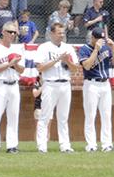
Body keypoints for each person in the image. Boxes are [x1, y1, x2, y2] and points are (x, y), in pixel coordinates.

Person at [34, 25, 80, 153]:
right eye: (59, 33)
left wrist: (67, 61)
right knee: (45, 116)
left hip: (65, 83)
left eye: (63, 33)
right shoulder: (44, 47)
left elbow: (75, 68)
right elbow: (40, 67)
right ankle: (42, 145)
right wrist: (57, 59)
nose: (62, 35)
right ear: (52, 33)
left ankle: (65, 145)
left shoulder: (68, 48)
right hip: (50, 84)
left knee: (63, 117)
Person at [0, 22, 29, 153]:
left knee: (13, 116)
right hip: (0, 84)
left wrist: (14, 65)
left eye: (14, 32)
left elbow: (21, 70)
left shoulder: (17, 49)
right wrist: (9, 63)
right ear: (3, 32)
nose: (12, 35)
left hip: (14, 84)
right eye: (10, 32)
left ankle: (12, 145)